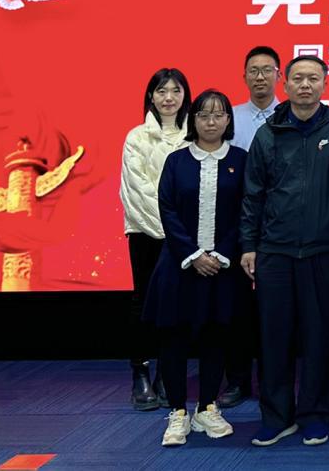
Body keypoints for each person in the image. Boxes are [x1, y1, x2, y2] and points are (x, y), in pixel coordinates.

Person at [238, 55, 329, 448]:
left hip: (324, 249)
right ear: (285, 84)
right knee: (274, 338)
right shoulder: (268, 133)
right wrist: (249, 245)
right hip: (274, 251)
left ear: (325, 84)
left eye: (313, 79)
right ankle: (276, 417)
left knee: (318, 337)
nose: (306, 85)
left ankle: (315, 416)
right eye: (298, 79)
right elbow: (253, 194)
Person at [144, 89, 246, 446]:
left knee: (215, 336)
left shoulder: (241, 160)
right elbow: (167, 210)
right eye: (203, 115)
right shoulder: (177, 161)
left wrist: (220, 255)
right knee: (174, 338)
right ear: (193, 120)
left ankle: (206, 407)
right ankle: (177, 412)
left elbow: (245, 212)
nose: (211, 121)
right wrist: (192, 254)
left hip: (222, 268)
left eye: (218, 115)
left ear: (228, 120)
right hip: (180, 265)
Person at [120, 68, 191, 411]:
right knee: (144, 303)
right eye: (162, 91)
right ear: (151, 96)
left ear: (185, 95)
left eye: (175, 91)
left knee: (176, 305)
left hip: (185, 236)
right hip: (147, 233)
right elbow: (138, 190)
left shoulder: (194, 135)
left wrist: (184, 233)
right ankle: (140, 374)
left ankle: (167, 372)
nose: (168, 98)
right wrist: (171, 230)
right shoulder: (137, 137)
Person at [221, 45, 282, 409]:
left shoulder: (291, 116)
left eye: (267, 70)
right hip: (237, 220)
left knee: (276, 309)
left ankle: (275, 379)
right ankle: (238, 379)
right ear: (244, 76)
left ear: (279, 76)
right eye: (253, 71)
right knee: (238, 306)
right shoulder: (230, 118)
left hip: (280, 222)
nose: (260, 77)